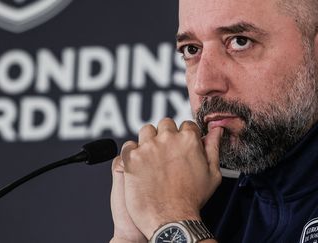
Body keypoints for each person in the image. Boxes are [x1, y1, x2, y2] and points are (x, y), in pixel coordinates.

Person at [109, 0, 318, 242]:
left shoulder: (183, 210)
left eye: (240, 41)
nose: (204, 84)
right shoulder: (207, 202)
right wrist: (131, 237)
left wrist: (171, 218)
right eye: (191, 49)